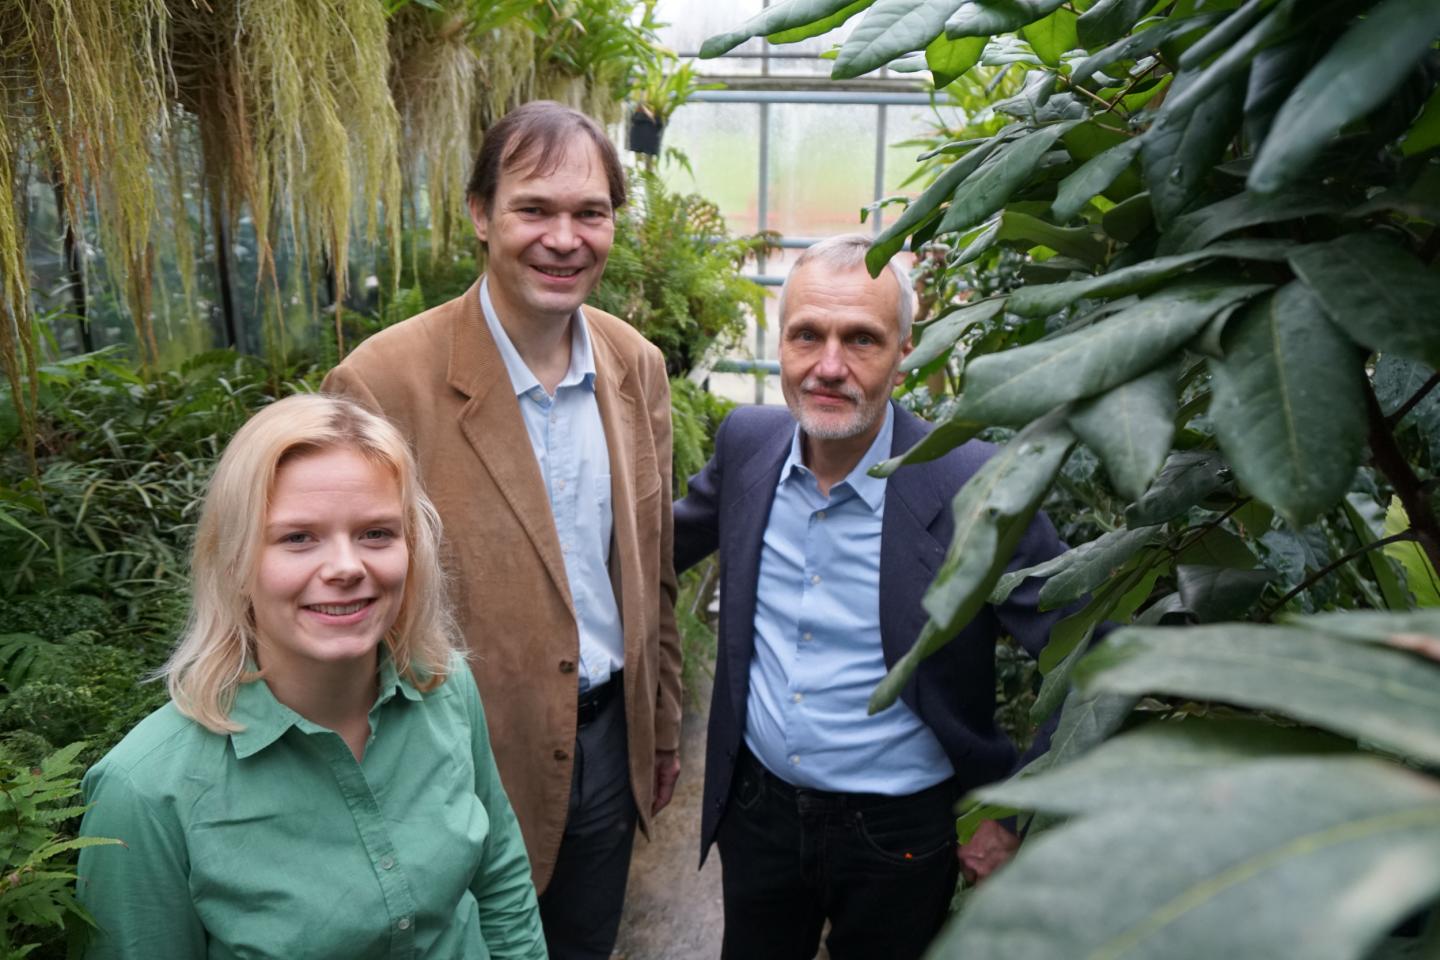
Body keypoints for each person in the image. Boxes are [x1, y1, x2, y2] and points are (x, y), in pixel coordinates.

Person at [322, 100, 681, 958]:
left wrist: (661, 727)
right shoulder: (383, 384)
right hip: (444, 773)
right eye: (535, 209)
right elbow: (336, 608)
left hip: (605, 752)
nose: (565, 238)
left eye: (590, 212)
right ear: (481, 215)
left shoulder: (635, 368)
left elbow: (653, 569)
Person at [673, 234, 1074, 960]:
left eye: (861, 338)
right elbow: (653, 552)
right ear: (782, 340)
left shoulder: (974, 484)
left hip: (900, 834)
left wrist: (1014, 812)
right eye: (807, 335)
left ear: (905, 350)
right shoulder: (747, 444)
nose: (829, 367)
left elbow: (1092, 643)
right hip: (758, 812)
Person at [75, 394, 545, 959]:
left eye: (376, 533)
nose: (347, 567)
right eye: (298, 537)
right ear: (234, 562)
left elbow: (499, 882)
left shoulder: (444, 687)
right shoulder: (146, 792)